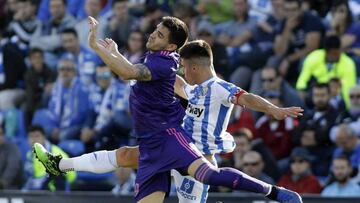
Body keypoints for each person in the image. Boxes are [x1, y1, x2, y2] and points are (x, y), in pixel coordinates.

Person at [34, 16, 303, 203]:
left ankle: (274, 193)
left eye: (160, 34)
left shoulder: (199, 79)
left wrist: (274, 110)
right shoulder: (178, 78)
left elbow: (247, 98)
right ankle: (58, 165)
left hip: (176, 142)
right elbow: (134, 73)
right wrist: (115, 54)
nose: (153, 34)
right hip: (155, 143)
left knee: (209, 175)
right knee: (125, 154)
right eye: (155, 30)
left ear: (173, 47)